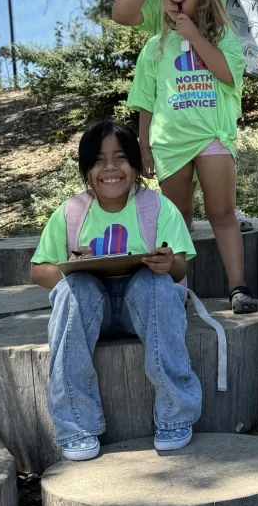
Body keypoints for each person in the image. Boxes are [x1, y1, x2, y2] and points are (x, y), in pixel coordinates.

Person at [30, 120, 200, 461]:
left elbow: (180, 267)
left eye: (120, 158)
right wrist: (69, 264)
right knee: (72, 289)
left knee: (157, 284)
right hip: (94, 311)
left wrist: (167, 263)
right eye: (98, 160)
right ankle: (75, 424)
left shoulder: (158, 207)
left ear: (136, 165)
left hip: (144, 306)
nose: (110, 168)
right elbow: (38, 271)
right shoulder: (71, 212)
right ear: (86, 170)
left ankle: (175, 414)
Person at [112, 0, 258, 232]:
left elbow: (249, 51)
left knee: (217, 161)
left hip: (217, 95)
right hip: (176, 100)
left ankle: (227, 210)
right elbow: (121, 14)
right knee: (179, 195)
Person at [126, 0, 258, 314]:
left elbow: (228, 74)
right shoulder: (154, 47)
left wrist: (196, 37)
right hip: (170, 143)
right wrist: (144, 144)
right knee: (177, 218)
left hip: (211, 137)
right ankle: (178, 290)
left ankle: (238, 288)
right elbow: (145, 100)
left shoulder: (226, 38)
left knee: (222, 213)